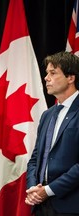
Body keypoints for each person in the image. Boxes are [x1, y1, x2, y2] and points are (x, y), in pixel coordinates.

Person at [26, 51, 79, 215]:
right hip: (41, 205)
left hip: (70, 205)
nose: (46, 78)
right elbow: (36, 157)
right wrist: (33, 188)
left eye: (53, 73)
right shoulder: (47, 115)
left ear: (71, 78)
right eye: (46, 73)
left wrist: (49, 190)